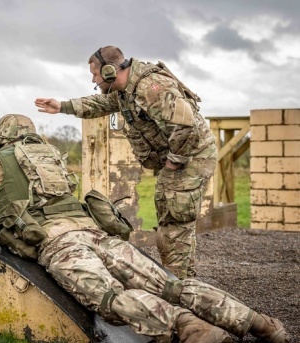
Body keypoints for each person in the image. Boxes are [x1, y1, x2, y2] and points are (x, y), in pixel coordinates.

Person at [0, 114, 289, 343]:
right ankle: (261, 324)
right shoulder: (53, 157)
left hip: (59, 243)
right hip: (96, 233)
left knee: (109, 299)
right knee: (169, 284)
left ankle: (190, 330)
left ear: (0, 140)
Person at [35, 46, 217, 280]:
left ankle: (181, 284)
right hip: (180, 156)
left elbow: (185, 126)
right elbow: (100, 104)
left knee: (175, 217)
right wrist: (62, 106)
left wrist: (174, 163)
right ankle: (178, 279)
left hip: (192, 155)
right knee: (170, 214)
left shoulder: (153, 88)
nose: (93, 79)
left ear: (109, 71)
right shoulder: (124, 91)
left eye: (94, 74)